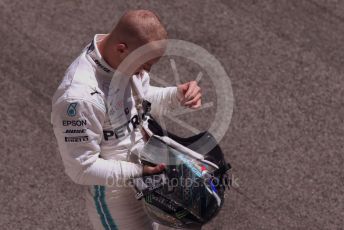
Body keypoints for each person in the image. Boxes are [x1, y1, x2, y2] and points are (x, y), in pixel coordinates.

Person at [51, 10, 202, 230]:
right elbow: (81, 169)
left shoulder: (122, 59)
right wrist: (138, 171)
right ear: (122, 49)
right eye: (144, 66)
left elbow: (138, 99)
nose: (143, 73)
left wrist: (176, 95)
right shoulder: (78, 99)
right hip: (115, 199)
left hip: (148, 180)